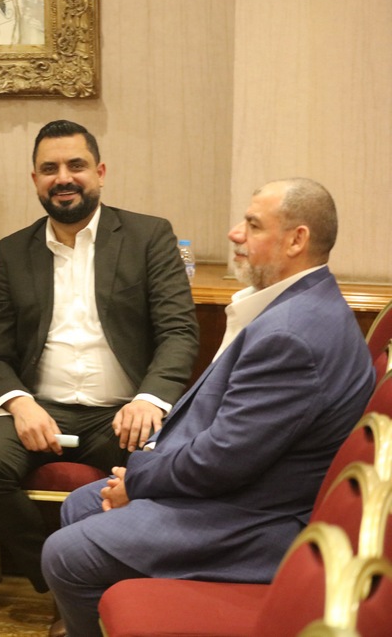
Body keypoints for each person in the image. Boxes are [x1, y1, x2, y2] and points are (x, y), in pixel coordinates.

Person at [41, 178, 376, 637]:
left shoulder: (291, 334)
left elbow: (224, 459)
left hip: (257, 519)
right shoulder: (297, 303)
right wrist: (145, 472)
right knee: (82, 504)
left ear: (296, 240)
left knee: (66, 554)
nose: (235, 233)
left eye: (253, 225)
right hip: (245, 491)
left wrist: (139, 479)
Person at [0, 119, 200, 597]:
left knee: (167, 473)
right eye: (49, 169)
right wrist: (19, 403)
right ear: (35, 180)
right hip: (39, 408)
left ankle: (111, 586)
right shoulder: (14, 251)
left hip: (122, 413)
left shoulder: (149, 236)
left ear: (100, 173)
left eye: (76, 166)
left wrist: (149, 399)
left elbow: (179, 332)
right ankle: (60, 580)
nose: (63, 178)